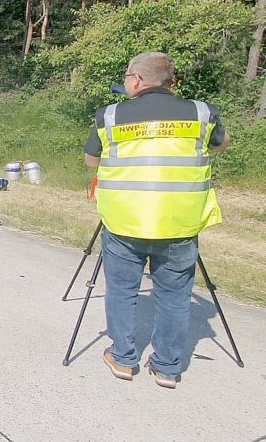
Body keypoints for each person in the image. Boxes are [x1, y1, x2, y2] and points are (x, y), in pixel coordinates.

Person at [84, 52, 230, 389]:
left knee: (122, 291)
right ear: (172, 83)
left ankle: (123, 358)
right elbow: (221, 147)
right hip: (179, 222)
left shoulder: (111, 115)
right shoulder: (201, 112)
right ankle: (167, 367)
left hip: (125, 221)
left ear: (135, 80)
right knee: (176, 296)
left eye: (126, 78)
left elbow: (92, 161)